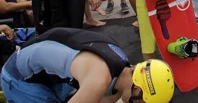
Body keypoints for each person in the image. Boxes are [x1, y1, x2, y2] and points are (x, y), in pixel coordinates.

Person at [1, 27, 175, 103]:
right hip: (19, 76)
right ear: (138, 90)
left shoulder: (121, 67)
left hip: (47, 71)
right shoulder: (98, 80)